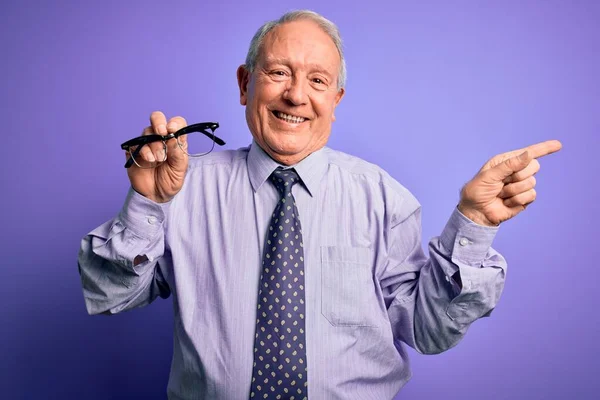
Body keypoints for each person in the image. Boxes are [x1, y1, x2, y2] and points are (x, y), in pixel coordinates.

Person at [78, 10, 562, 400]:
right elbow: (110, 295)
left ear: (336, 97)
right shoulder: (183, 187)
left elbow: (429, 330)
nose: (295, 94)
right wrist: (146, 201)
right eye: (278, 72)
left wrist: (474, 222)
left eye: (317, 80)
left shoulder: (383, 197)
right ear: (245, 83)